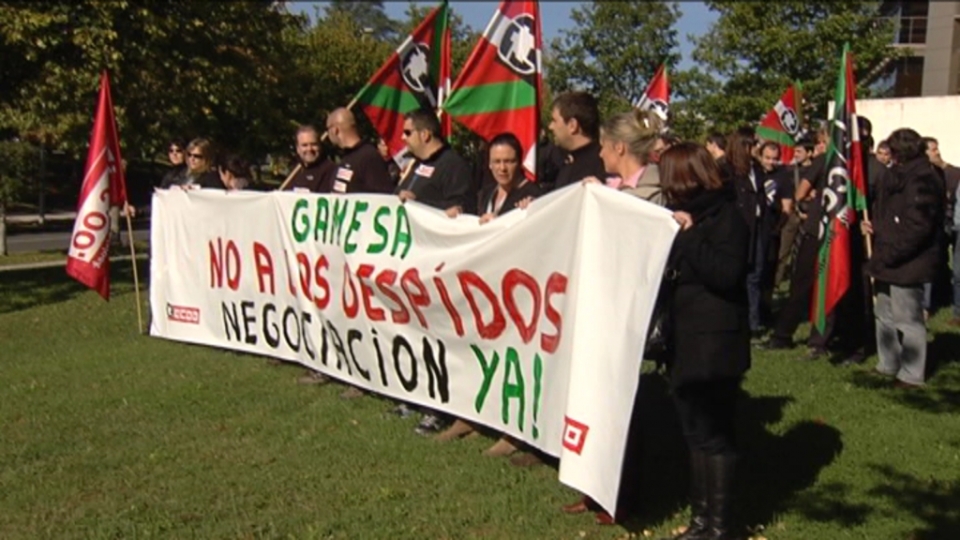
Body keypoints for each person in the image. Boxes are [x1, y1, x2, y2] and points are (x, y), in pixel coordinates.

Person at [659, 142, 750, 540]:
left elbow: (726, 274)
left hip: (714, 343)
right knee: (695, 434)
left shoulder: (726, 216)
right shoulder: (684, 217)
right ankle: (701, 521)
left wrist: (691, 237)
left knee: (714, 435)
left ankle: (720, 526)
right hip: (686, 340)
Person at [435, 133, 541, 452]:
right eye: (496, 161)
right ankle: (470, 414)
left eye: (508, 161)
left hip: (518, 291)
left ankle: (515, 432)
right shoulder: (486, 194)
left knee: (514, 357)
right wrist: (459, 219)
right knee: (478, 350)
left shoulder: (533, 195)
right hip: (486, 290)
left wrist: (524, 215)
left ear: (518, 162)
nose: (502, 168)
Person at [862, 128, 943, 388]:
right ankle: (888, 363)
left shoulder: (924, 178)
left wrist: (892, 253)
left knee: (908, 319)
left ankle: (911, 373)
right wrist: (874, 226)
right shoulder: (896, 176)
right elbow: (888, 213)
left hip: (909, 260)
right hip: (887, 255)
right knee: (883, 312)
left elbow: (918, 226)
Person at [395, 108, 473, 218]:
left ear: (425, 135)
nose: (403, 137)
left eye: (408, 133)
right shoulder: (417, 163)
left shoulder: (453, 165)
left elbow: (461, 207)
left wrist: (419, 203)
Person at [584, 109, 665, 204]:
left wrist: (602, 197)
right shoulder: (613, 186)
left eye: (603, 147)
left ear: (619, 147)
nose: (601, 154)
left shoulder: (652, 196)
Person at [326, 108, 396, 194]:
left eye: (328, 129)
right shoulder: (347, 157)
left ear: (335, 130)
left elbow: (383, 195)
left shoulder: (368, 156)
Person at [547, 91, 606, 191]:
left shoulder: (603, 164)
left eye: (554, 120)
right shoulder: (567, 163)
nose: (550, 127)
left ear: (572, 125)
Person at [284, 125, 337, 193]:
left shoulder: (331, 171)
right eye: (304, 145)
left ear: (320, 146)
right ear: (298, 149)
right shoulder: (296, 171)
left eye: (313, 144)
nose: (309, 149)